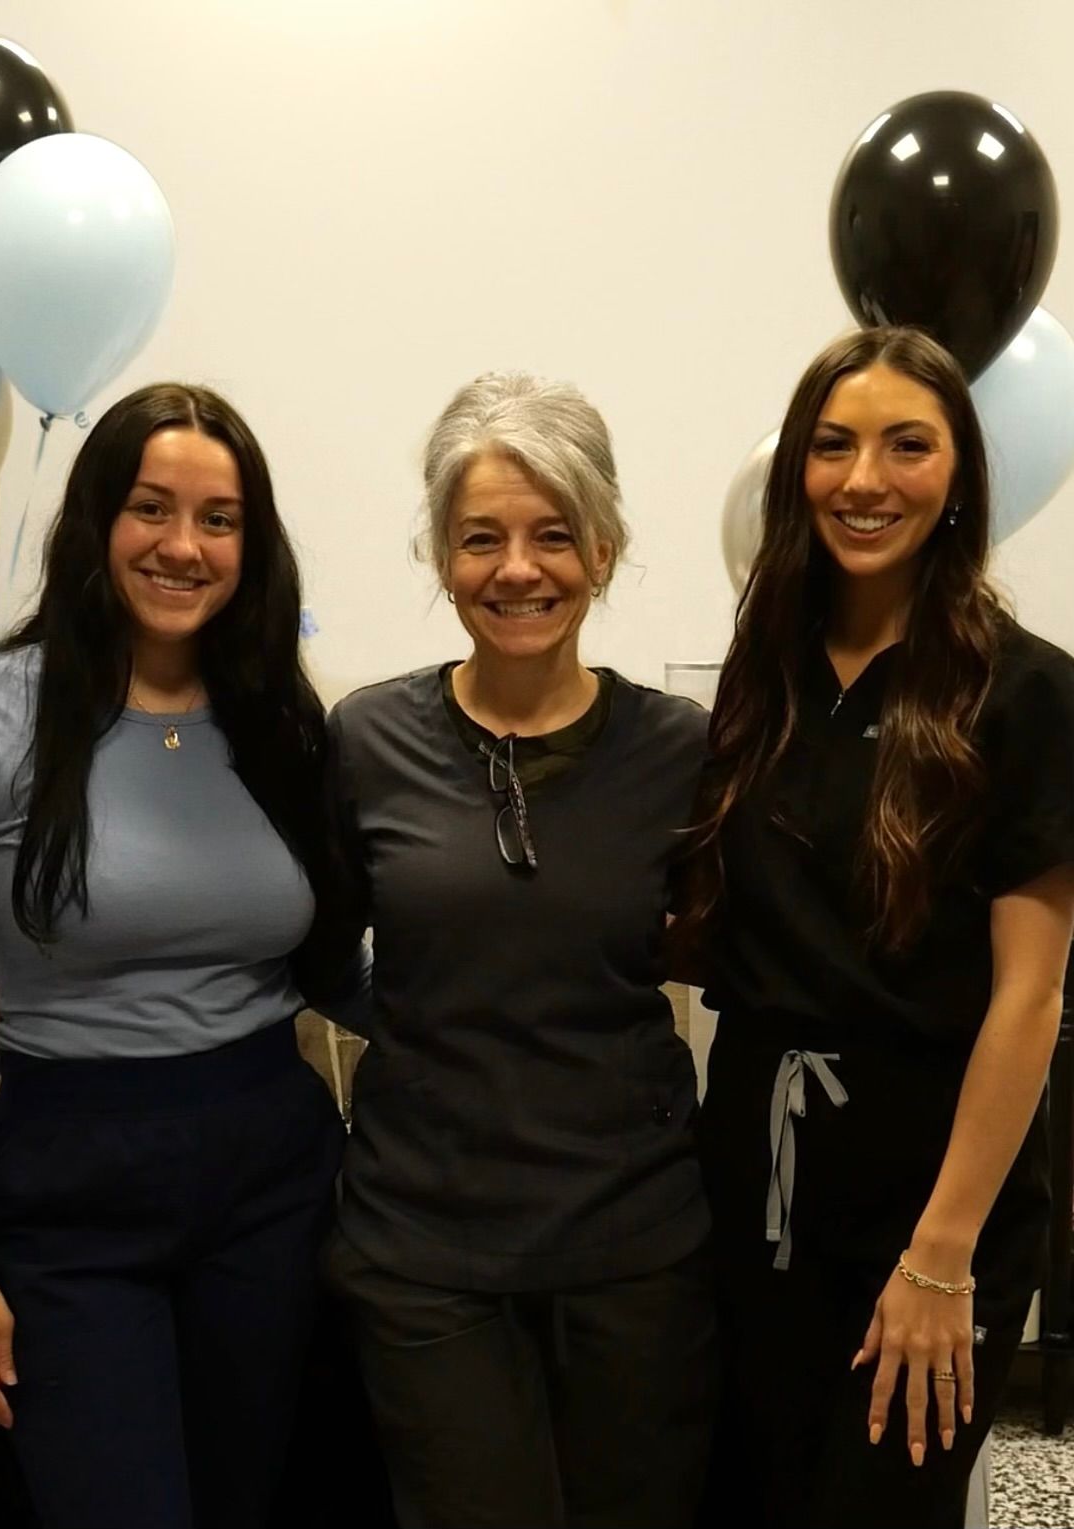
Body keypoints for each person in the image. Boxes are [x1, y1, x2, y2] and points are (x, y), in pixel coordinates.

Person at [0, 384, 363, 1529]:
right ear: (94, 521)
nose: (184, 545)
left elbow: (340, 965)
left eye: (219, 518)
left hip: (271, 1180)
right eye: (150, 508)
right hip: (67, 1190)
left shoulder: (282, 721)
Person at [676, 327, 1074, 1529]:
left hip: (933, 1185)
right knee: (754, 1495)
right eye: (834, 445)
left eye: (908, 445)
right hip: (756, 1170)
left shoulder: (1025, 690)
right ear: (797, 467)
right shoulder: (765, 669)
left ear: (959, 474)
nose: (865, 479)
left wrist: (938, 1253)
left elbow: (1029, 998)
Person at [322, 372, 716, 1529]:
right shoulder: (368, 738)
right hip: (424, 1249)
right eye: (480, 537)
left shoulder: (680, 751)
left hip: (634, 1248)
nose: (517, 568)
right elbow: (308, 950)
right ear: (442, 556)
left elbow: (724, 952)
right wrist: (428, 1023)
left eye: (553, 535)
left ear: (603, 548)